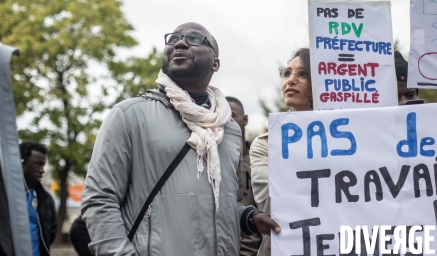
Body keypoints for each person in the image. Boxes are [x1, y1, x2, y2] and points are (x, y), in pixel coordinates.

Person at [82, 22, 279, 256]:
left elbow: (222, 204)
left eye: (195, 38)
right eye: (173, 38)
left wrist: (248, 217)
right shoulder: (129, 116)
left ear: (215, 63)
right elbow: (100, 199)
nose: (181, 42)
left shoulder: (230, 130)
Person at [250, 48, 313, 256]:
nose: (291, 80)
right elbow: (270, 201)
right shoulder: (264, 145)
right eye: (286, 73)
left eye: (302, 74)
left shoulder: (351, 139)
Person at [226, 96, 262, 256]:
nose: (225, 119)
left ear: (245, 119)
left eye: (231, 114)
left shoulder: (261, 160)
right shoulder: (211, 162)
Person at [19, 141, 56, 256]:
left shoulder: (45, 199)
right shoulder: (5, 196)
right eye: (37, 164)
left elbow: (51, 231)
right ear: (20, 162)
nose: (42, 170)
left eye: (43, 165)